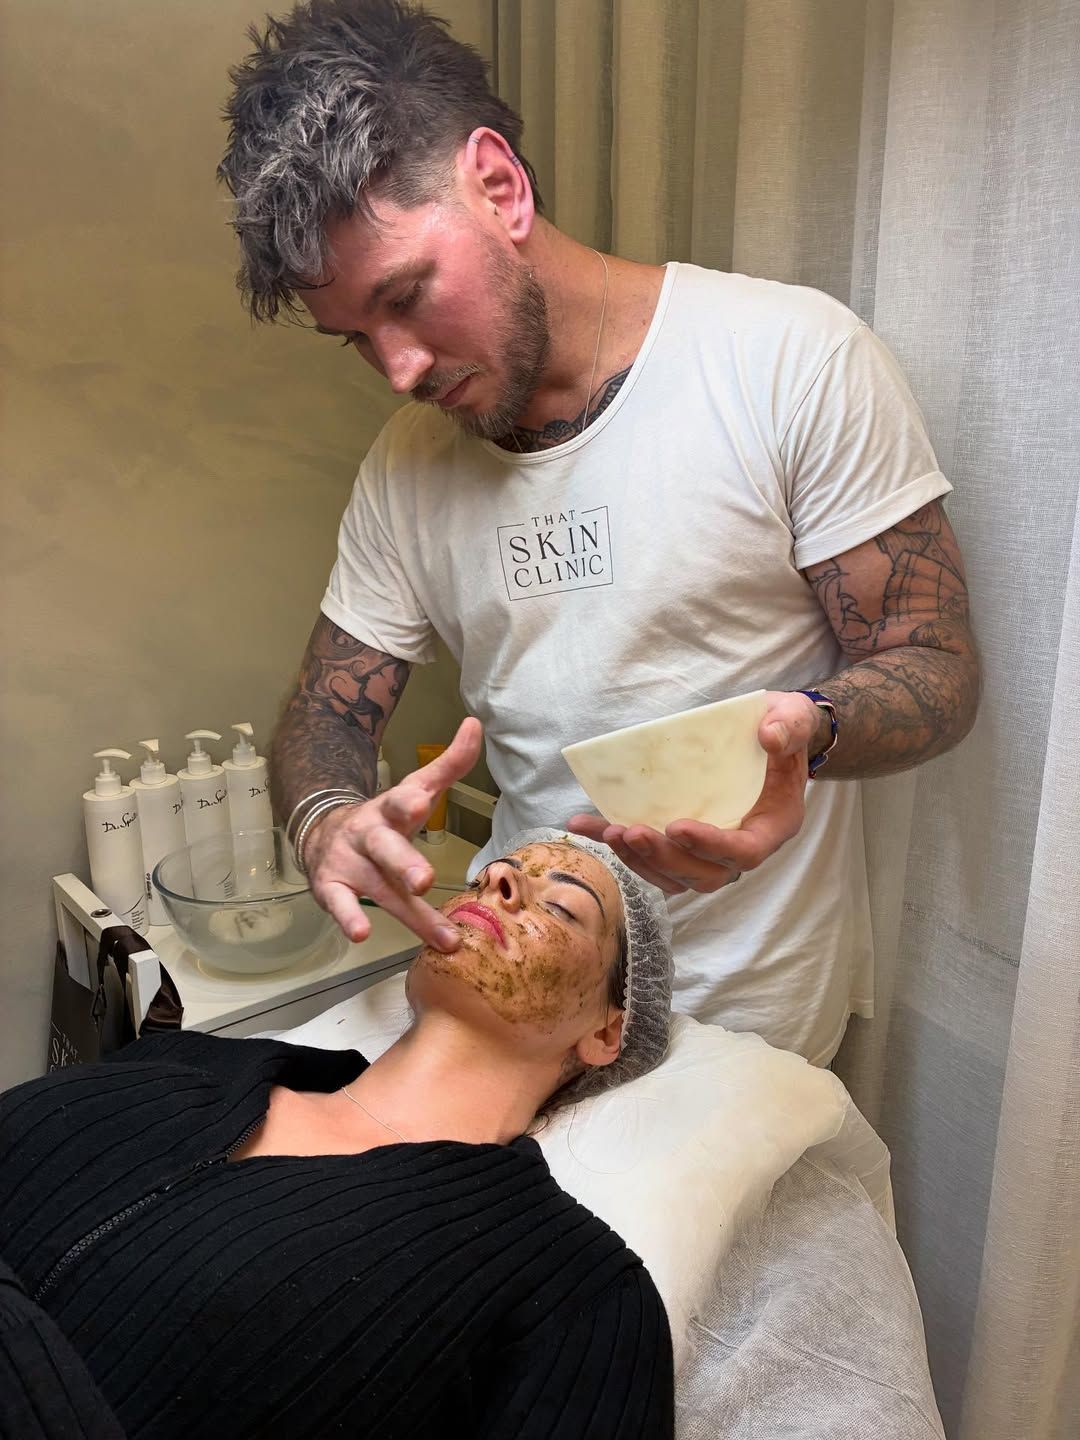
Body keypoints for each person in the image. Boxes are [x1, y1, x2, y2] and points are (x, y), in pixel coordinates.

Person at [217, 0, 980, 1064]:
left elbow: (933, 666)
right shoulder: (408, 462)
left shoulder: (790, 361)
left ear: (499, 184)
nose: (397, 367)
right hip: (521, 1002)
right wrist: (328, 820)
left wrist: (801, 734)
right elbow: (323, 715)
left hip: (743, 1023)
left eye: (407, 296)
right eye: (356, 336)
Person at [0, 833, 676, 1439]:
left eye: (562, 907)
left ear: (607, 1031)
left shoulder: (575, 1291)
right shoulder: (194, 1061)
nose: (496, 875)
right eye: (492, 871)